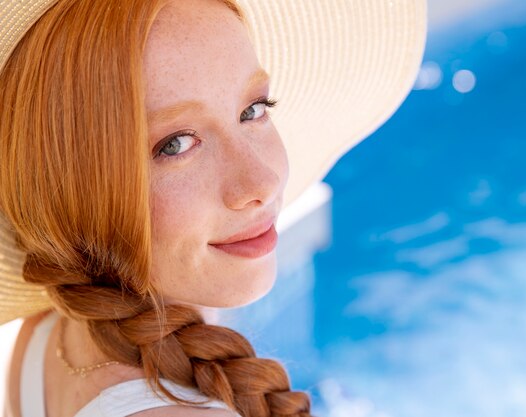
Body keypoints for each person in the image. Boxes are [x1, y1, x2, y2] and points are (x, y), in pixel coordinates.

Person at [0, 0, 427, 416]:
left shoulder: (52, 333)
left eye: (253, 109)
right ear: (77, 188)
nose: (260, 183)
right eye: (176, 144)